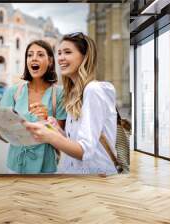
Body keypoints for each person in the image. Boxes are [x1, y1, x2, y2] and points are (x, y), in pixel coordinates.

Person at [23, 32, 118, 175]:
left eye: (67, 52)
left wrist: (49, 136)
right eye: (59, 53)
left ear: (84, 57)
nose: (61, 58)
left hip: (96, 180)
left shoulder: (93, 90)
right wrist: (55, 129)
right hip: (74, 176)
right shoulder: (74, 94)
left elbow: (84, 151)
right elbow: (73, 142)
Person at [0, 40, 66, 174]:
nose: (34, 58)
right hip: (15, 166)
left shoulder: (59, 94)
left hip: (46, 169)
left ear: (50, 61)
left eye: (40, 54)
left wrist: (46, 119)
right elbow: (6, 136)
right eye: (29, 55)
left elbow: (62, 139)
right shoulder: (12, 92)